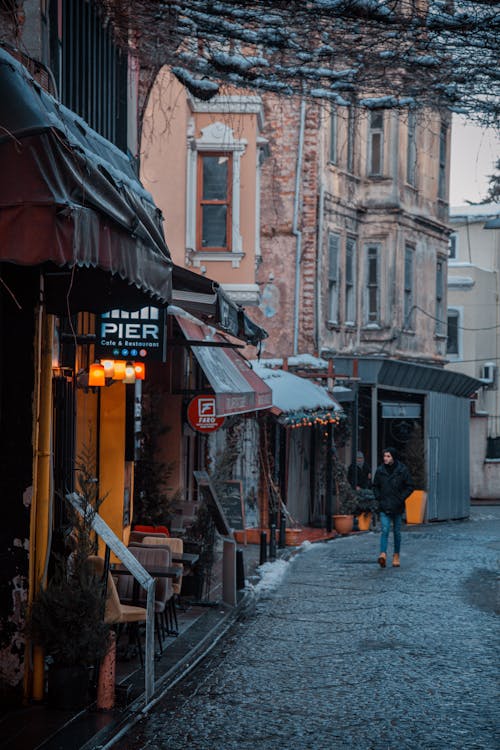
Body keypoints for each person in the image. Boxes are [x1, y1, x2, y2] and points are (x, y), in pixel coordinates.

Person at [372, 446, 414, 568]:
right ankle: (383, 554)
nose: (385, 458)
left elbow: (410, 486)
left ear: (393, 457)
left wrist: (401, 498)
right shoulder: (380, 471)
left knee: (396, 532)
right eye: (384, 456)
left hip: (398, 506)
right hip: (384, 505)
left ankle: (396, 555)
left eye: (388, 456)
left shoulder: (402, 470)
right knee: (384, 530)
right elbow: (375, 486)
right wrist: (379, 497)